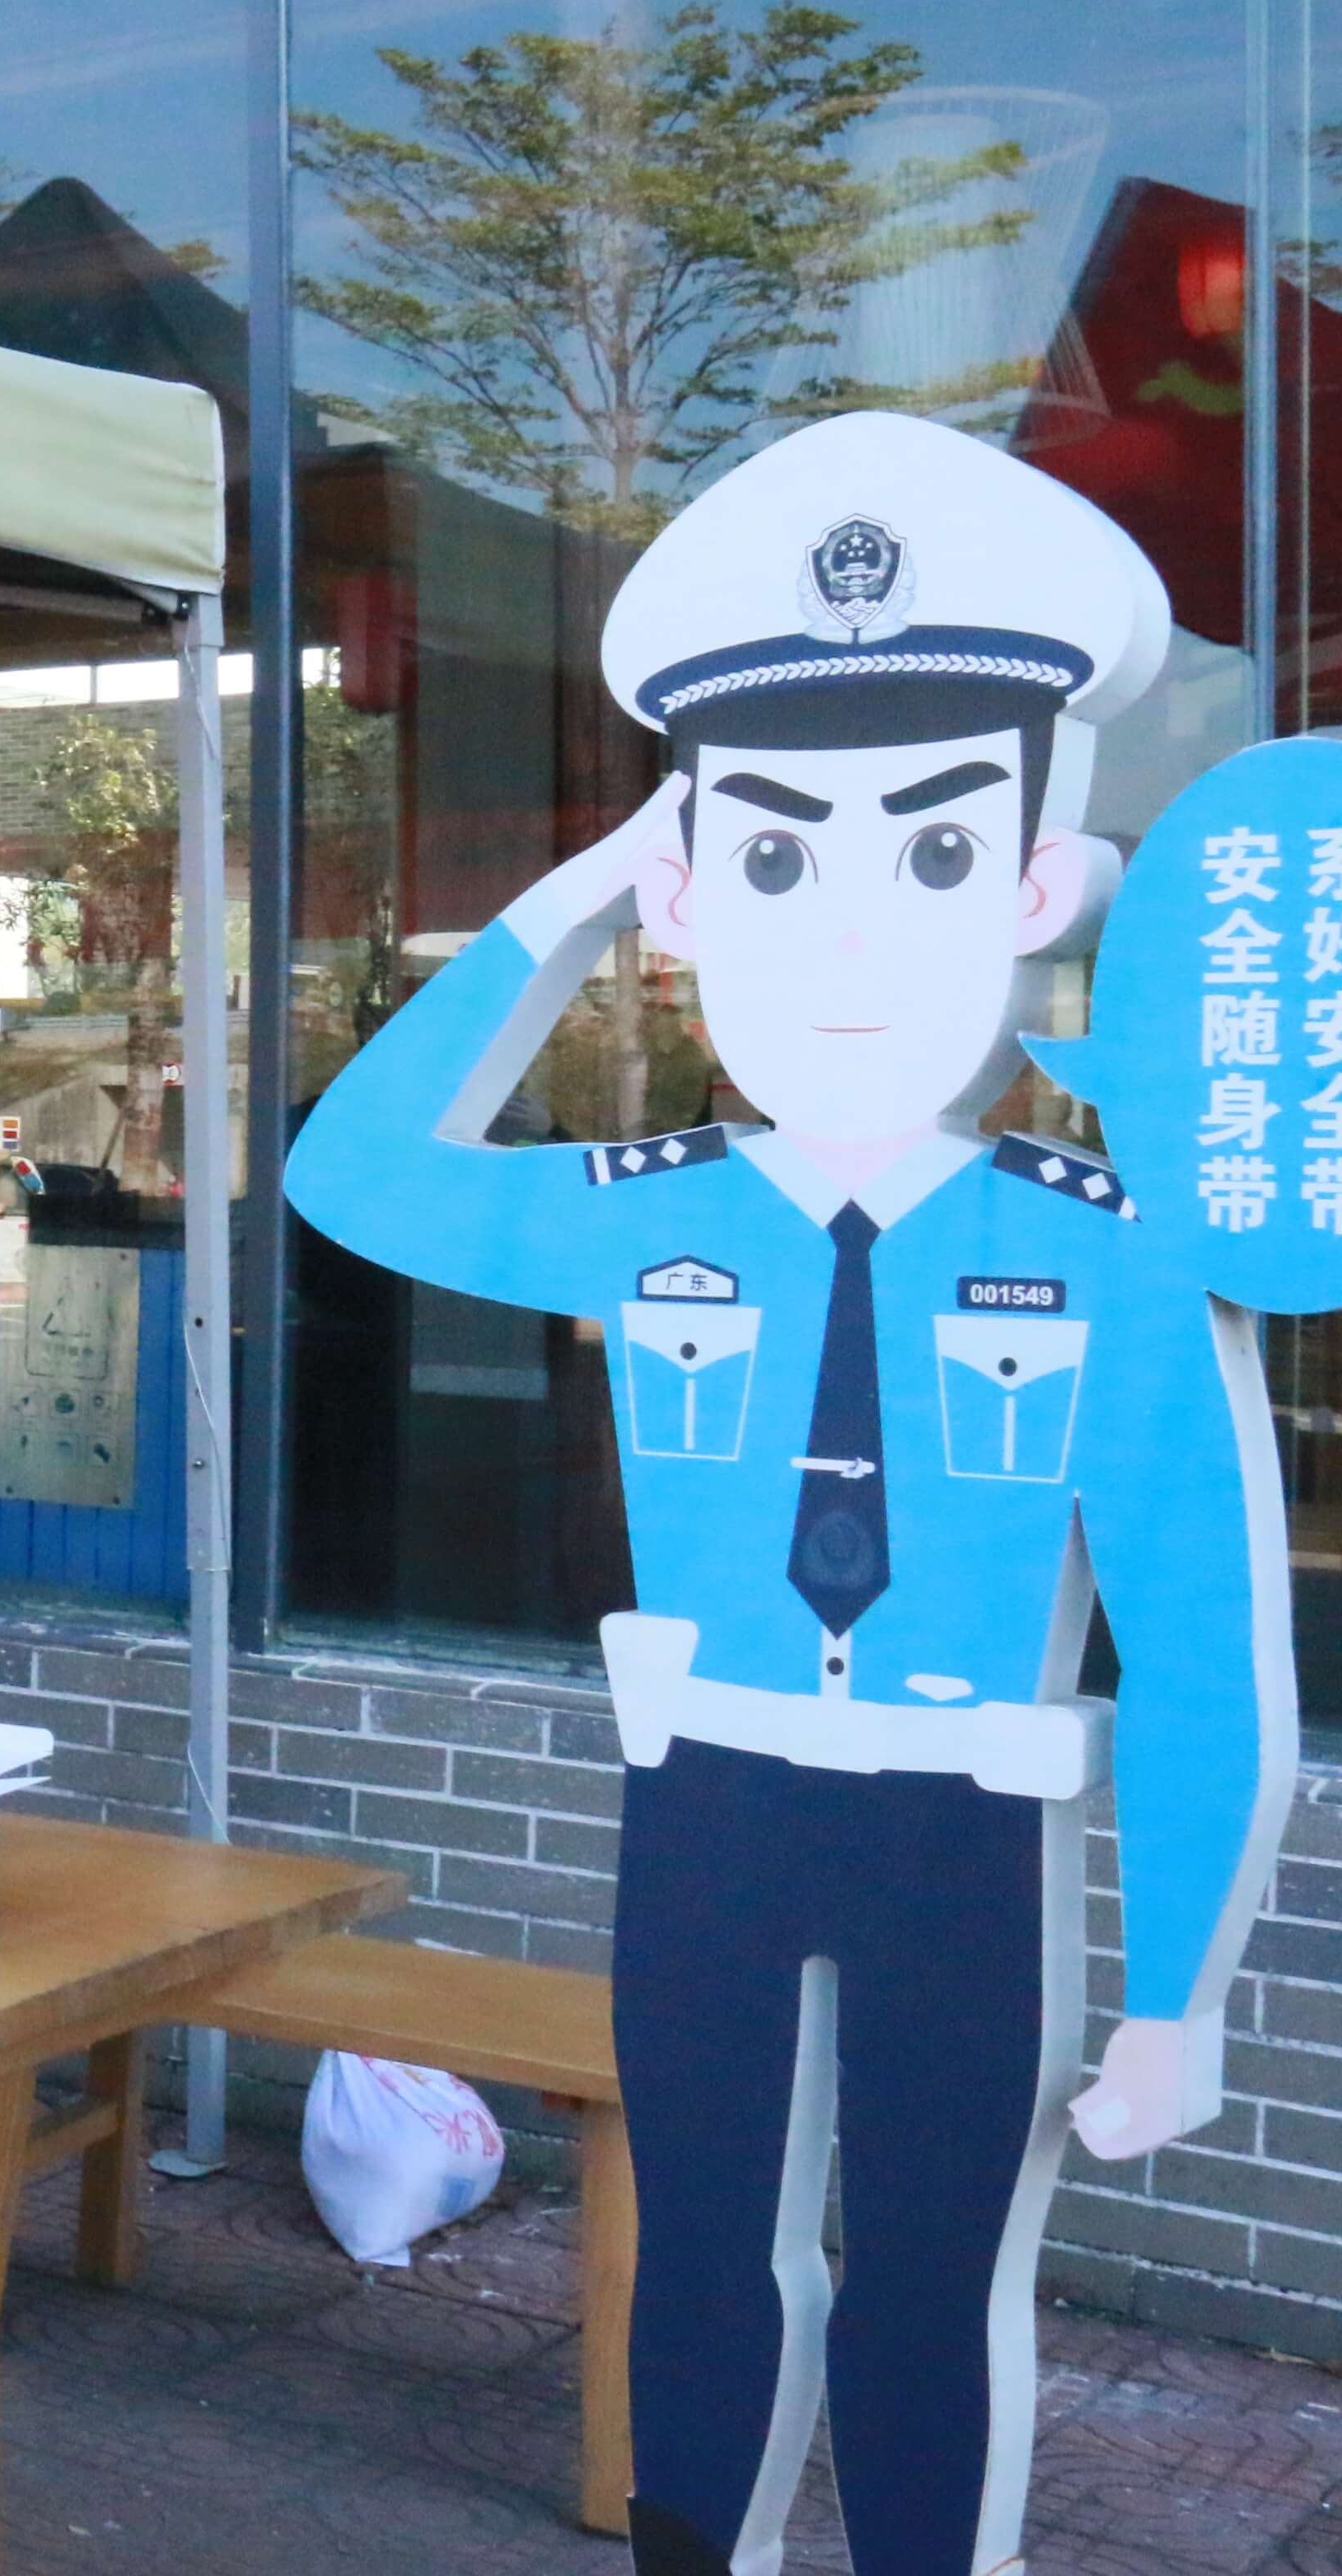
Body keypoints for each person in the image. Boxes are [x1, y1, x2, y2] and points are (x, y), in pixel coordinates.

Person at [284, 413, 1282, 2576]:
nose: (839, 927)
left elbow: (1202, 1648)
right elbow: (346, 1173)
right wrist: (561, 905)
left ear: (1034, 887)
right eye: (766, 857)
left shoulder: (1112, 1242)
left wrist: (1179, 1995)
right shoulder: (658, 1210)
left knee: (934, 2289)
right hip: (711, 1811)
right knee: (709, 2270)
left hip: (961, 1832)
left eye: (930, 856)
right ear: (689, 890)